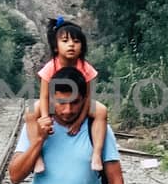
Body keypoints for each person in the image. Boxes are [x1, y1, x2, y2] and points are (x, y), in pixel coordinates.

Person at [26, 16, 110, 174]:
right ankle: (36, 157)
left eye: (76, 41)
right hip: (53, 103)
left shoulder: (86, 68)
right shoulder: (51, 67)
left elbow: (87, 99)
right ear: (56, 47)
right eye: (65, 41)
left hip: (79, 104)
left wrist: (78, 122)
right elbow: (44, 96)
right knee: (30, 111)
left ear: (82, 46)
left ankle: (97, 154)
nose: (71, 45)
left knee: (101, 111)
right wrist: (45, 119)